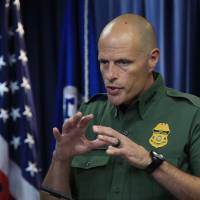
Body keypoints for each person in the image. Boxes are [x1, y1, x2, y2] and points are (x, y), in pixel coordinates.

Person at [40, 14, 200, 200]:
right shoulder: (88, 115)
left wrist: (151, 163)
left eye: (123, 62)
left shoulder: (191, 114)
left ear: (152, 59)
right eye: (104, 62)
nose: (110, 74)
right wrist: (60, 160)